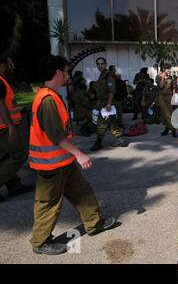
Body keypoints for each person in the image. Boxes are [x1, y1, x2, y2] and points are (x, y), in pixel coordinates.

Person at [29, 54, 117, 255]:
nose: (69, 75)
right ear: (58, 73)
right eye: (67, 71)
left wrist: (72, 156)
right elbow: (56, 136)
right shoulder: (47, 100)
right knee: (49, 204)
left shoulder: (52, 96)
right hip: (50, 166)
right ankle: (40, 242)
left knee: (82, 192)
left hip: (63, 162)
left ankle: (94, 224)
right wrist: (79, 154)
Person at [0, 55, 33, 203]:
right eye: (10, 64)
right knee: (20, 153)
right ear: (2, 66)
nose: (12, 67)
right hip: (4, 128)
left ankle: (14, 186)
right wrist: (11, 126)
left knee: (4, 157)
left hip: (3, 126)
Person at [90, 57, 126, 151]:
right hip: (103, 102)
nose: (100, 66)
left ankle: (98, 142)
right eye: (98, 64)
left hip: (107, 103)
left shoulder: (108, 76)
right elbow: (101, 90)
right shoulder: (102, 75)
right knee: (111, 123)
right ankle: (120, 139)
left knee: (101, 123)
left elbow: (111, 91)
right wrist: (99, 101)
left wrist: (109, 104)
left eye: (102, 63)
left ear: (105, 64)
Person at [156, 63, 177, 137]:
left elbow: (173, 88)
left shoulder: (171, 78)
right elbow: (160, 86)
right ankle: (173, 129)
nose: (169, 70)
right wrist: (163, 77)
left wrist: (174, 96)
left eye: (169, 69)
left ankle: (167, 129)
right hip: (161, 96)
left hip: (169, 96)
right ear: (163, 69)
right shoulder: (158, 76)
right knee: (167, 114)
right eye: (168, 69)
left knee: (170, 114)